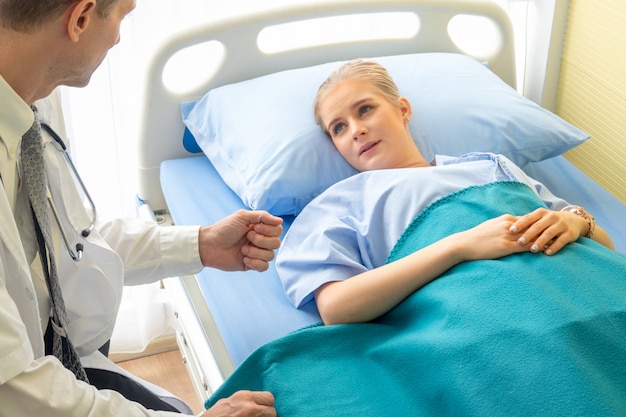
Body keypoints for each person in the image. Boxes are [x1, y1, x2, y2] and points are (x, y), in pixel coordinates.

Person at [0, 0, 279, 416]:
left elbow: (69, 241)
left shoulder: (27, 98)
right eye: (122, 17)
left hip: (58, 355)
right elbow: (14, 388)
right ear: (80, 18)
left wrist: (201, 245)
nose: (118, 37)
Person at [276, 58, 615, 326]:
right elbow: (337, 309)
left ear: (403, 109)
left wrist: (575, 222)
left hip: (585, 292)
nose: (357, 130)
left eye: (365, 109)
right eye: (339, 127)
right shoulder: (341, 202)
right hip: (488, 321)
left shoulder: (492, 166)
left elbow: (604, 249)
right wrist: (459, 246)